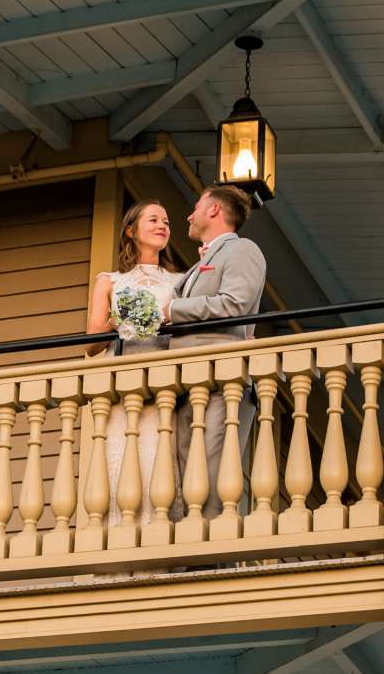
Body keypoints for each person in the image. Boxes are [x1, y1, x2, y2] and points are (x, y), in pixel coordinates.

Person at [161, 183, 266, 516]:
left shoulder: (242, 250)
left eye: (195, 207)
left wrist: (173, 311)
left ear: (215, 210)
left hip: (222, 381)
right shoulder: (195, 268)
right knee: (181, 481)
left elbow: (235, 304)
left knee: (212, 476)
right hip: (184, 383)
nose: (189, 215)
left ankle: (208, 561)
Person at [85, 199, 180, 521]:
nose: (162, 226)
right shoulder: (109, 281)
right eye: (153, 219)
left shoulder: (179, 281)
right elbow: (92, 342)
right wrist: (122, 319)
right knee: (122, 456)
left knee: (160, 456)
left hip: (165, 378)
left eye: (166, 221)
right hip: (124, 380)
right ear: (131, 230)